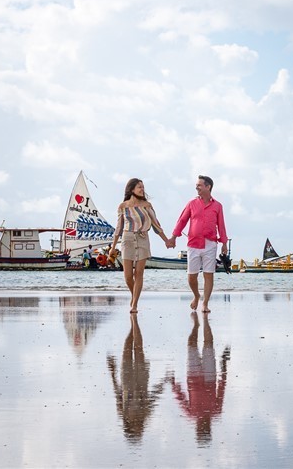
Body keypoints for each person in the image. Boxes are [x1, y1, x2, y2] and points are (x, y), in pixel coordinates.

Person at [110, 178, 172, 313]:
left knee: (138, 273)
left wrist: (166, 240)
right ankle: (135, 295)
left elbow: (156, 225)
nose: (142, 189)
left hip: (143, 238)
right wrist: (113, 247)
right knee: (127, 276)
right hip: (127, 239)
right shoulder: (123, 206)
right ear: (132, 189)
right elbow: (118, 228)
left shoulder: (147, 205)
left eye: (143, 187)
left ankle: (134, 304)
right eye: (139, 187)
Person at [168, 175, 229, 313]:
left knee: (208, 274)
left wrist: (224, 243)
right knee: (191, 276)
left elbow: (221, 226)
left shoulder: (218, 206)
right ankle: (196, 295)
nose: (196, 187)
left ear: (208, 187)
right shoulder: (191, 203)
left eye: (199, 185)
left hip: (211, 244)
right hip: (193, 243)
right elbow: (181, 221)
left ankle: (205, 303)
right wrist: (173, 237)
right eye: (196, 185)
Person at [107, 313, 170, 443]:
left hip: (127, 379)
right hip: (141, 379)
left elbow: (117, 392)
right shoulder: (145, 413)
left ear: (128, 426)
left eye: (135, 428)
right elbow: (154, 396)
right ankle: (134, 325)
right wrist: (164, 381)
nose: (137, 425)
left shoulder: (123, 412)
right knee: (139, 348)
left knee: (127, 347)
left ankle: (133, 326)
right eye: (138, 429)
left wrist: (112, 371)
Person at [170, 312, 229, 447]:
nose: (201, 426)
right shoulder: (215, 411)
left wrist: (173, 384)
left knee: (192, 344)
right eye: (203, 429)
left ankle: (197, 325)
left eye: (200, 429)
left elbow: (181, 398)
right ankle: (202, 323)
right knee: (208, 344)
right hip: (208, 377)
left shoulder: (192, 414)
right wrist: (224, 370)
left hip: (194, 376)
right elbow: (221, 390)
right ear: (208, 428)